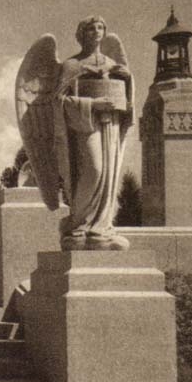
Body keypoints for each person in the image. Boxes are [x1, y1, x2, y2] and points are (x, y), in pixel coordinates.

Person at [54, 16, 132, 251]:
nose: (96, 32)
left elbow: (126, 102)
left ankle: (101, 228)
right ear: (81, 34)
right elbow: (58, 100)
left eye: (100, 28)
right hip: (85, 124)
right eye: (90, 28)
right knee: (94, 169)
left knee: (109, 173)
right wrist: (93, 104)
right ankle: (80, 223)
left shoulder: (112, 63)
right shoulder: (72, 65)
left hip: (111, 124)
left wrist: (128, 80)